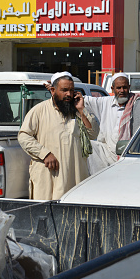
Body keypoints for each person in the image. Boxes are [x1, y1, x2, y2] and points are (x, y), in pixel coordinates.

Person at [18, 71, 99, 200]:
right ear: (53, 91)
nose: (69, 94)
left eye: (72, 90)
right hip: (49, 178)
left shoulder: (78, 111)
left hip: (74, 177)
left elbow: (93, 133)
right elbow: (23, 136)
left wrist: (82, 110)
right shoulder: (39, 111)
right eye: (64, 90)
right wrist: (44, 154)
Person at [84, 72, 140, 174]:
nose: (122, 91)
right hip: (107, 153)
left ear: (129, 87)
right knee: (89, 145)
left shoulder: (139, 106)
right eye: (118, 88)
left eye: (125, 87)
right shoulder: (105, 103)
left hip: (130, 156)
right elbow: (84, 100)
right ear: (112, 89)